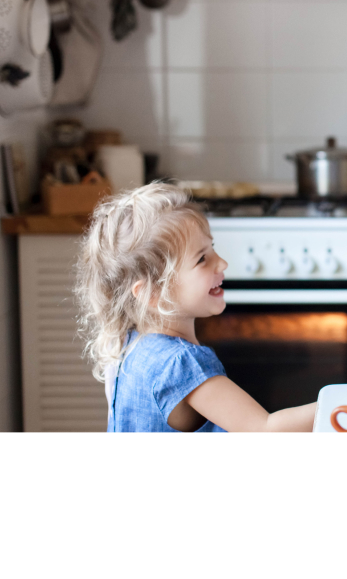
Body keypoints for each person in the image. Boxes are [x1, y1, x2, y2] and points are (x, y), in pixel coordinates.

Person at [73, 183, 317, 432]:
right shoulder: (181, 364)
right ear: (152, 292)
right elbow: (264, 430)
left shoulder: (129, 345)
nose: (221, 263)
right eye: (202, 258)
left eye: (213, 249)